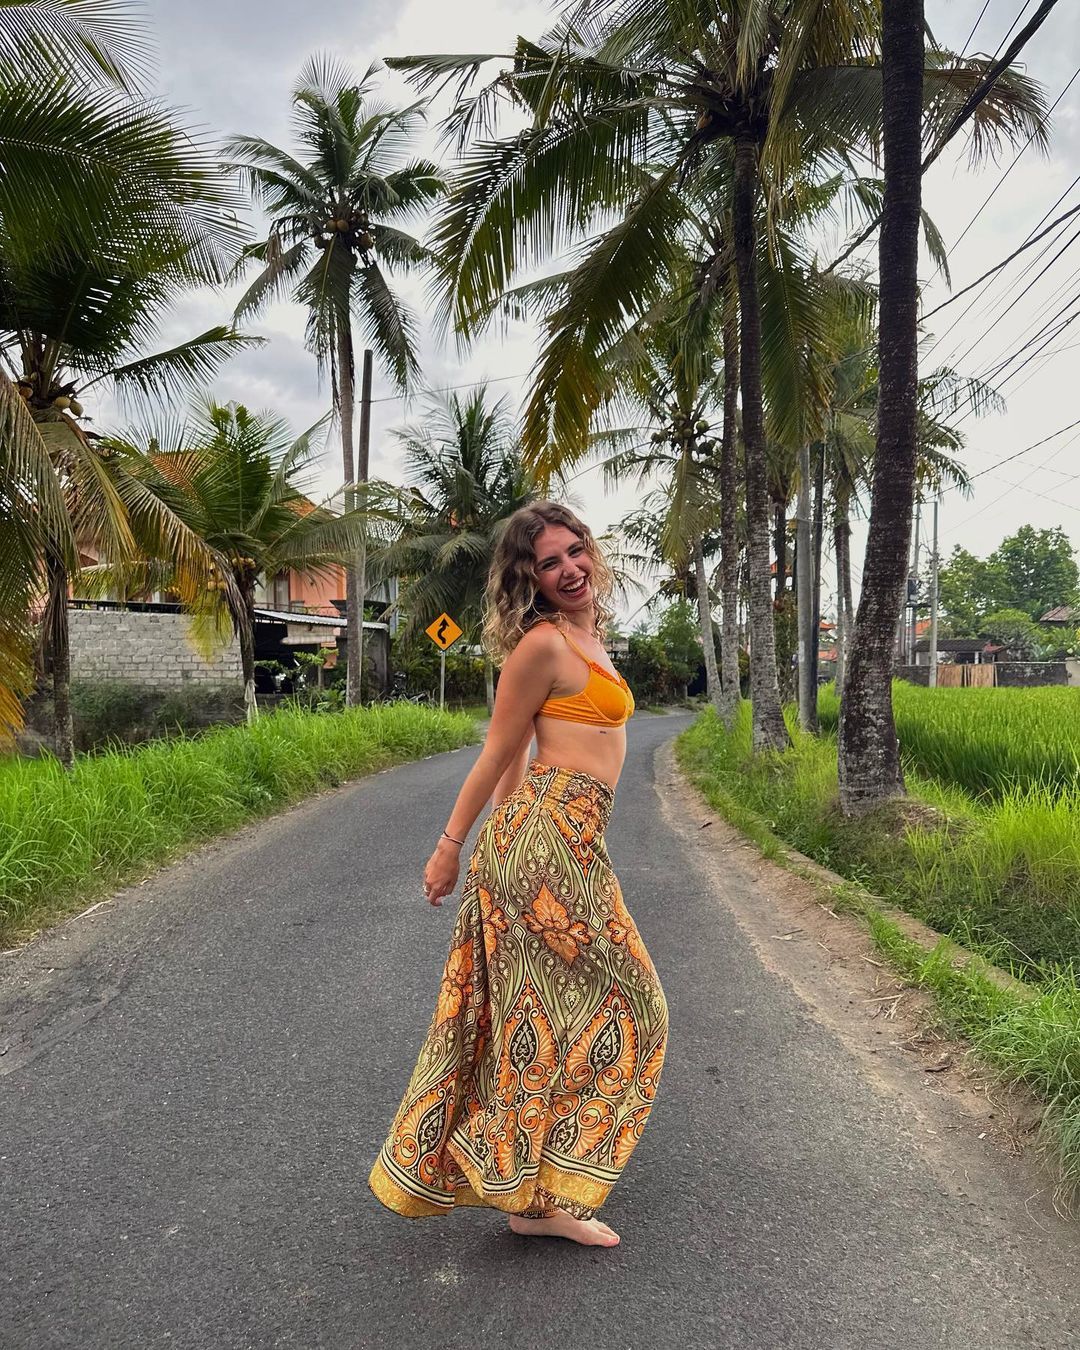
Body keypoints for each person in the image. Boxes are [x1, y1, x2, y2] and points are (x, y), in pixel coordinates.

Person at [368, 501, 668, 1248]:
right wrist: (452, 844)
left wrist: (500, 835)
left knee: (546, 1018)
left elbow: (528, 756)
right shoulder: (541, 646)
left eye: (575, 551)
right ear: (528, 577)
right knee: (627, 1004)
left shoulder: (585, 636)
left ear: (591, 551)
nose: (569, 569)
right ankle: (538, 1196)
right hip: (546, 846)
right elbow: (498, 752)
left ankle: (530, 1196)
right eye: (549, 562)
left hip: (568, 841)